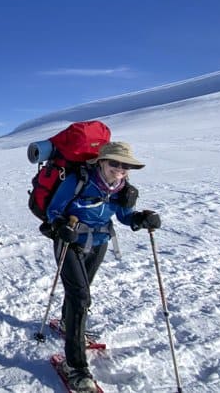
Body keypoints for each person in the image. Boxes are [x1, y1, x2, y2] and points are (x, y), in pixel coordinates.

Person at [42, 141, 161, 392]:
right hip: (69, 242)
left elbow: (125, 216)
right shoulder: (78, 180)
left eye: (125, 165)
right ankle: (75, 367)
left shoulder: (123, 189)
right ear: (101, 162)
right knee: (81, 296)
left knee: (80, 292)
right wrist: (61, 225)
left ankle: (67, 322)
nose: (120, 169)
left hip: (100, 243)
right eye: (114, 163)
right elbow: (53, 210)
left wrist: (141, 218)